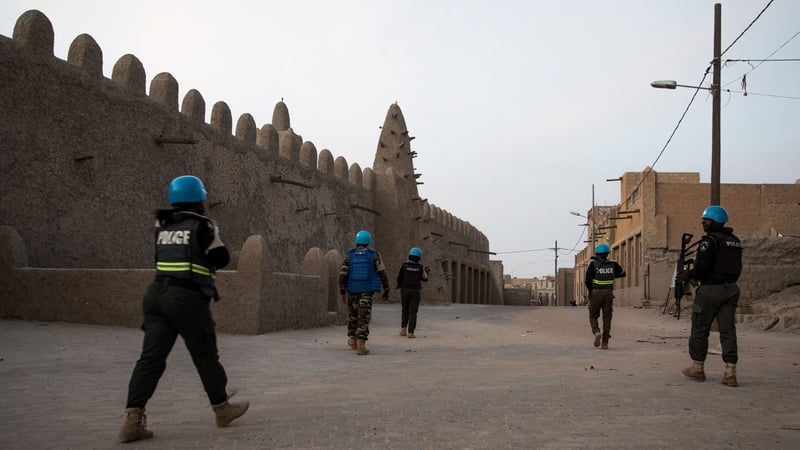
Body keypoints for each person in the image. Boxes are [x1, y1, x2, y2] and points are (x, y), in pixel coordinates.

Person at [117, 175, 248, 443]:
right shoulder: (203, 226)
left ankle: (132, 419)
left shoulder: (162, 224)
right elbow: (221, 258)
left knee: (150, 359)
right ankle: (222, 409)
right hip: (186, 297)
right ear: (199, 200)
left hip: (155, 295)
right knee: (205, 355)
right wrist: (214, 237)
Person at [678, 205, 743, 387]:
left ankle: (697, 368)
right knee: (728, 330)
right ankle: (730, 371)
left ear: (714, 222)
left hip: (710, 290)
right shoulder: (734, 241)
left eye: (706, 220)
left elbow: (703, 268)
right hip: (731, 289)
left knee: (700, 328)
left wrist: (688, 275)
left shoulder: (709, 241)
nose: (703, 223)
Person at [339, 230, 390, 355]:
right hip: (366, 292)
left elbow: (342, 275)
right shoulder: (374, 255)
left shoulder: (349, 255)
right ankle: (361, 345)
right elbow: (382, 273)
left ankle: (352, 339)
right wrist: (386, 289)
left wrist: (342, 291)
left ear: (357, 241)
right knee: (363, 317)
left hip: (352, 290)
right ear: (368, 242)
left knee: (353, 315)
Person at [585, 243, 626, 350]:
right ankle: (605, 343)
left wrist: (590, 291)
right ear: (607, 253)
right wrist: (611, 275)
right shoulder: (613, 264)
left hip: (596, 292)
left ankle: (596, 332)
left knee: (593, 315)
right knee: (607, 318)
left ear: (597, 253)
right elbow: (622, 274)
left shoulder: (593, 264)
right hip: (608, 293)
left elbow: (587, 280)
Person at [396, 247, 430, 338]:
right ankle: (411, 332)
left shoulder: (404, 266)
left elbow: (399, 278)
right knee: (413, 312)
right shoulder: (420, 267)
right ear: (419, 258)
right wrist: (427, 272)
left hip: (405, 290)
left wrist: (399, 285)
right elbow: (425, 278)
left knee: (405, 309)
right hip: (415, 291)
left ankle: (403, 329)